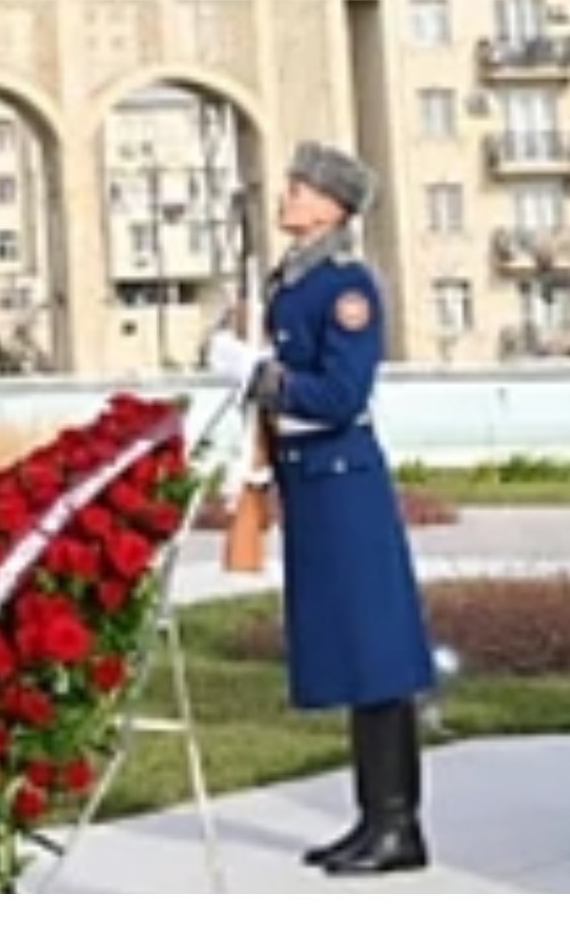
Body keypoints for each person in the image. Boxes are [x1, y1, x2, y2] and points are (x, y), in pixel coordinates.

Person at [207, 141, 438, 876]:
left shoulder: (346, 286)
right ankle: (374, 818)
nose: (288, 197)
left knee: (377, 653)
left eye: (302, 189)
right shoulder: (291, 281)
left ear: (335, 207)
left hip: (344, 481)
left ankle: (397, 823)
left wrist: (258, 375)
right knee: (349, 651)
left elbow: (340, 395)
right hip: (309, 480)